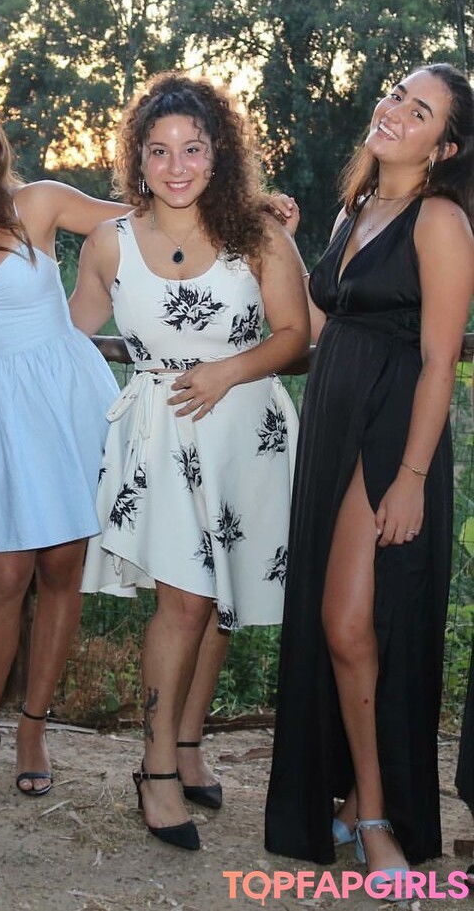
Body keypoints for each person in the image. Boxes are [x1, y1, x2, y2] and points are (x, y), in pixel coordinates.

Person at [77, 73, 309, 849]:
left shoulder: (259, 234)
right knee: (182, 603)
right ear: (137, 159)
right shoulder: (109, 242)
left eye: (193, 148)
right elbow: (69, 330)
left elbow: (294, 336)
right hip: (161, 436)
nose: (176, 166)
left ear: (219, 154)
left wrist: (225, 371)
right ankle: (154, 768)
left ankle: (186, 742)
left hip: (242, 432)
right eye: (159, 150)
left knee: (217, 602)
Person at [264, 64, 474, 882]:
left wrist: (412, 474)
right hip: (334, 417)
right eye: (396, 95)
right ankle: (355, 800)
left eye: (420, 112)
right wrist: (283, 239)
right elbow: (321, 323)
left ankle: (379, 815)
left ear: (444, 147)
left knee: (351, 625)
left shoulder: (441, 220)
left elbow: (439, 360)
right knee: (342, 625)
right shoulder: (356, 207)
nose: (395, 112)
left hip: (389, 429)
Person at [0, 94, 144, 808]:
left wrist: (251, 210)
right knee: (4, 573)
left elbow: (143, 215)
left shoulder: (36, 203)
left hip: (64, 394)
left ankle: (35, 726)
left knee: (62, 563)